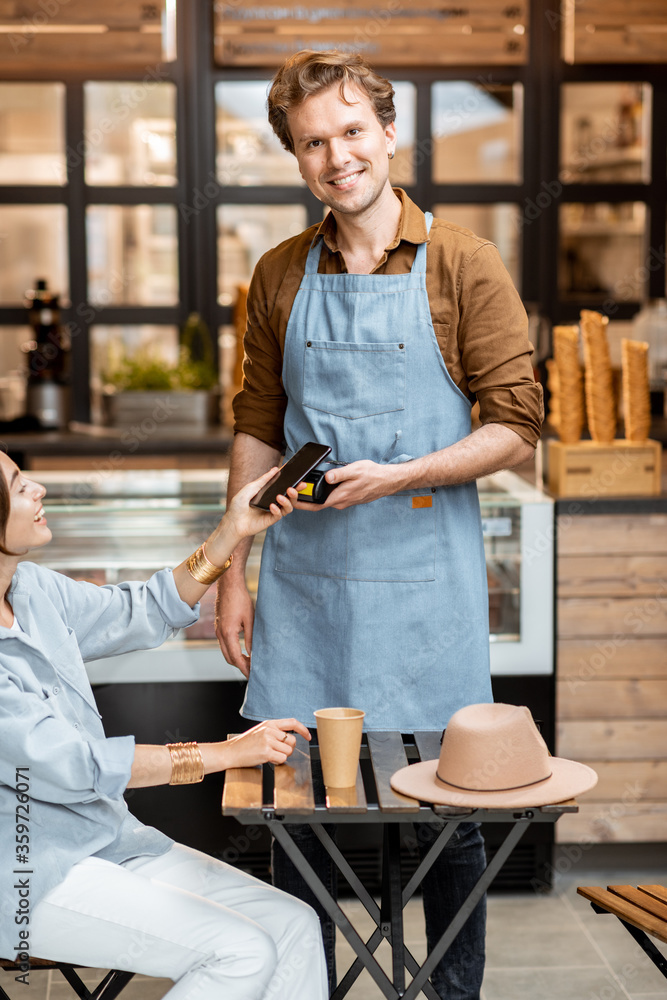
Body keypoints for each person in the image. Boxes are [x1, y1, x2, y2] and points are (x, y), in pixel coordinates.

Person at [216, 50, 543, 1000]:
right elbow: (255, 425)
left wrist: (403, 473)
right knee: (299, 812)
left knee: (452, 814)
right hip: (309, 593)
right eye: (313, 142)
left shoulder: (464, 263)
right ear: (298, 158)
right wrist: (234, 573)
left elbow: (516, 428)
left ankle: (450, 995)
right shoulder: (279, 274)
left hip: (425, 587)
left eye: (352, 131)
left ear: (388, 133)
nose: (337, 156)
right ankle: (307, 988)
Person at [0, 451, 328, 1000]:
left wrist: (234, 529)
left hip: (110, 841)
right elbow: (79, 767)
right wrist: (227, 753)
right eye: (16, 485)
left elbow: (144, 609)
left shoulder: (32, 590)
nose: (38, 490)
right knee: (242, 950)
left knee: (295, 925)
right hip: (32, 875)